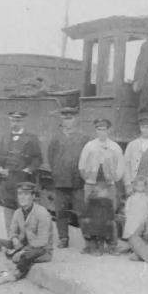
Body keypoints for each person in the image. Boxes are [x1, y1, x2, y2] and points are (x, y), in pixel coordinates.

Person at [0, 182, 53, 285]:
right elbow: (12, 231)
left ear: (33, 196)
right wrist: (14, 239)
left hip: (41, 249)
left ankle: (14, 276)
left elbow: (42, 241)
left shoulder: (42, 213)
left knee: (25, 257)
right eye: (20, 194)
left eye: (26, 194)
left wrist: (22, 251)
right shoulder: (18, 212)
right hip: (22, 245)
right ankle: (4, 272)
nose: (22, 197)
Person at [78, 118, 125, 255]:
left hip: (108, 185)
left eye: (104, 129)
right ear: (96, 130)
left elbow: (120, 166)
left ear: (108, 130)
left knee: (109, 215)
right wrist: (88, 179)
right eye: (99, 129)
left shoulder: (115, 147)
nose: (101, 132)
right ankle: (90, 245)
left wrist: (114, 178)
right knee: (90, 215)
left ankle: (112, 245)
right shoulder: (89, 146)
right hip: (92, 185)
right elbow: (81, 165)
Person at [0, 111, 43, 235]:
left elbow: (38, 159)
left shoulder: (31, 139)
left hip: (23, 180)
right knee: (9, 211)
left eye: (18, 121)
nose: (14, 124)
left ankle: (25, 240)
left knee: (24, 210)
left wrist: (28, 170)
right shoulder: (4, 138)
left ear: (23, 122)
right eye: (13, 121)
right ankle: (12, 238)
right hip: (7, 181)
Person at [47, 106, 90, 249]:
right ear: (62, 120)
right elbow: (51, 157)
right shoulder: (56, 138)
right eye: (65, 119)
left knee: (82, 211)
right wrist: (57, 172)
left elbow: (88, 157)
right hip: (61, 181)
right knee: (61, 212)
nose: (68, 122)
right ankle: (63, 238)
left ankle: (88, 240)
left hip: (78, 181)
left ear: (76, 119)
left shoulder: (83, 137)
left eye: (70, 118)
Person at [122, 115, 148, 244]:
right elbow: (125, 165)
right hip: (136, 184)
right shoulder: (132, 145)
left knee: (147, 211)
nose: (146, 130)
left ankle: (145, 240)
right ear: (140, 128)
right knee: (134, 212)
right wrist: (128, 184)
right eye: (144, 127)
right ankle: (132, 241)